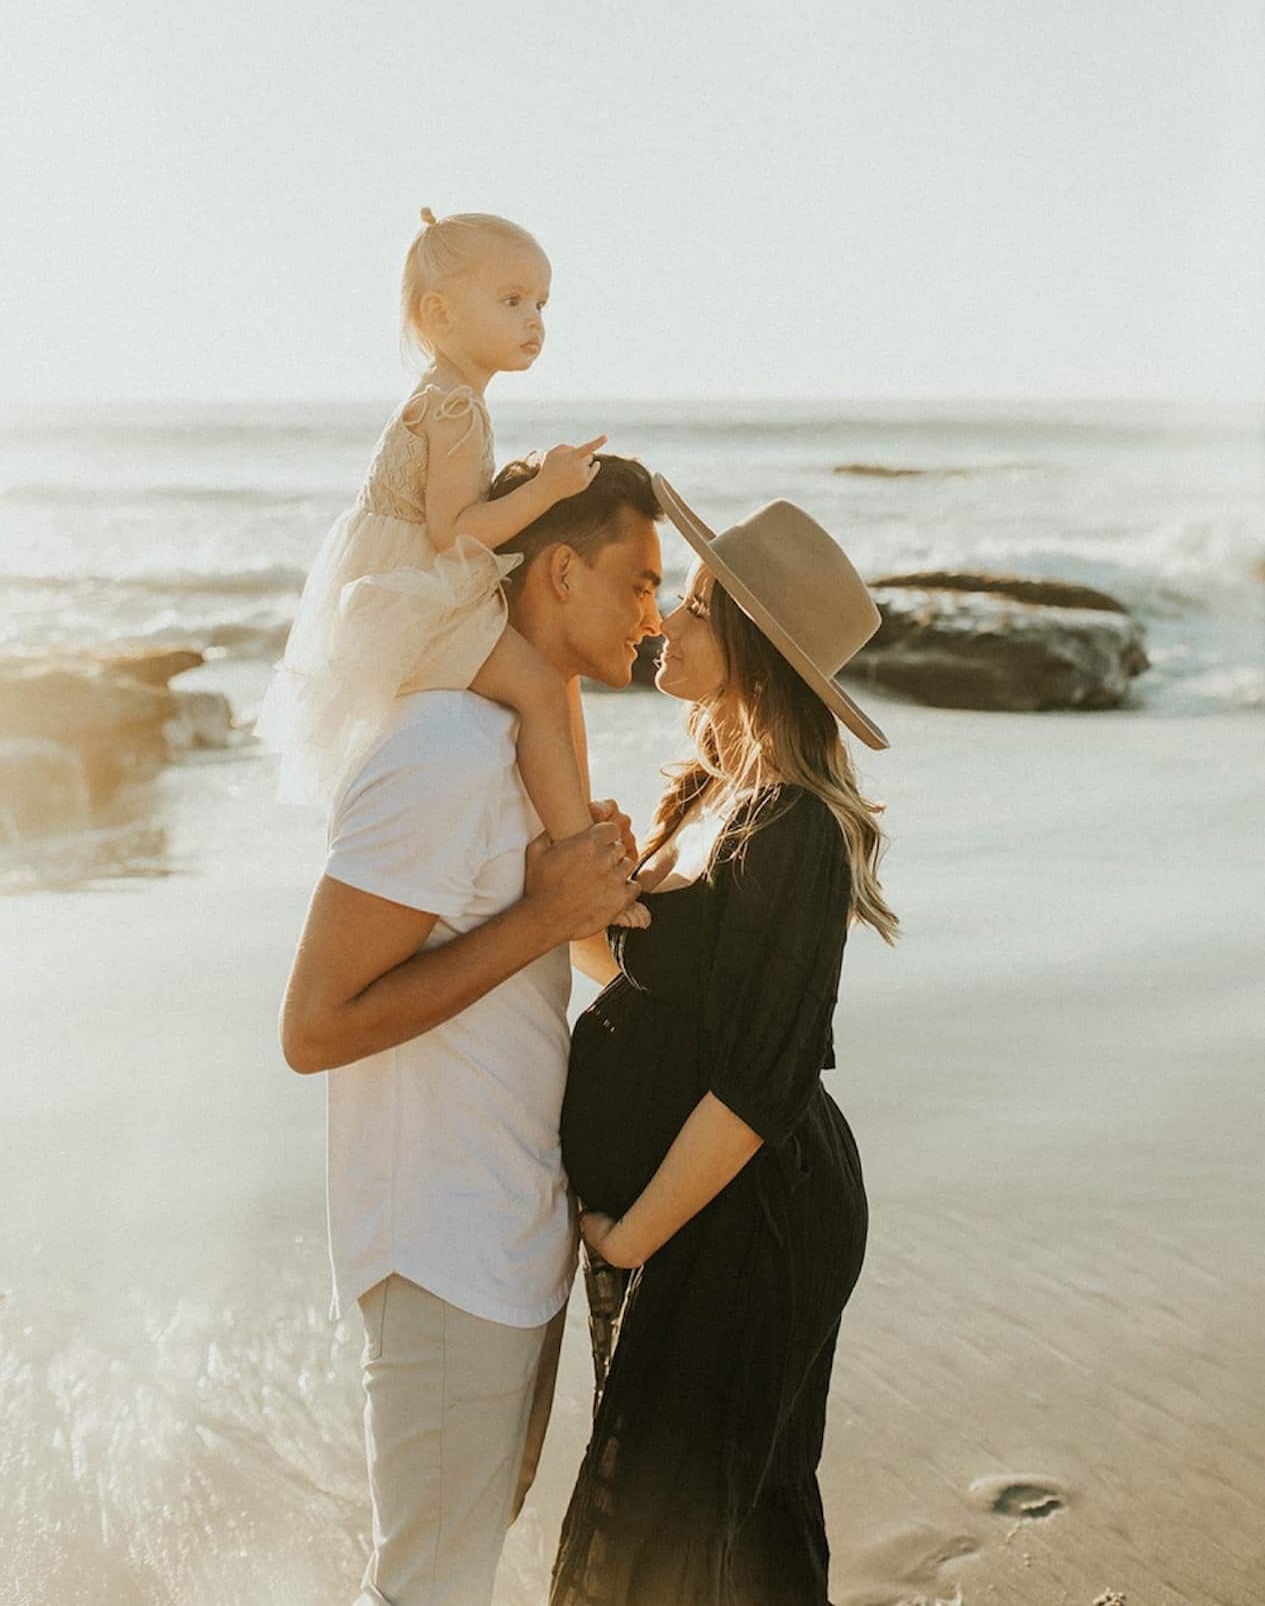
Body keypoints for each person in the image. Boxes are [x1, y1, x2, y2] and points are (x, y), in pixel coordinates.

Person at [279, 452, 663, 1606]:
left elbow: (566, 961)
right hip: (442, 1247)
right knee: (427, 1589)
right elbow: (313, 1025)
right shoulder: (440, 750)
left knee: (455, 1569)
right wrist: (548, 909)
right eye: (637, 582)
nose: (652, 613)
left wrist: (594, 910)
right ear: (556, 572)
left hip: (511, 1235)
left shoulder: (524, 756)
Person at [552, 480, 900, 1606]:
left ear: (749, 643)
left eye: (696, 604)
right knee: (729, 1522)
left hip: (753, 1216)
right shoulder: (707, 790)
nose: (664, 619)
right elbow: (656, 998)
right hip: (696, 1205)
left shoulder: (792, 828)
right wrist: (594, 903)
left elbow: (757, 1081)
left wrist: (625, 1240)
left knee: (674, 1524)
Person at [257, 210, 643, 927]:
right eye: (511, 301)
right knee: (537, 688)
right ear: (438, 313)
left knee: (534, 682)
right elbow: (454, 534)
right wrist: (548, 489)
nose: (533, 320)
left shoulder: (442, 395)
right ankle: (584, 865)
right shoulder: (457, 407)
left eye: (540, 304)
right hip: (419, 596)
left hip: (399, 590)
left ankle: (573, 834)